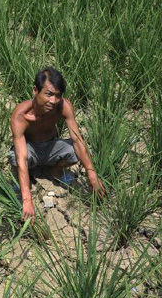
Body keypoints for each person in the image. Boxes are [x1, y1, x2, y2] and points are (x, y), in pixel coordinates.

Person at [8, 67, 105, 224]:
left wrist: (91, 172)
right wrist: (27, 200)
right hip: (30, 149)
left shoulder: (63, 106)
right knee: (14, 159)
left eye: (57, 95)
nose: (53, 100)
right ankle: (21, 181)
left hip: (50, 146)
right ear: (35, 90)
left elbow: (77, 140)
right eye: (48, 94)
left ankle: (55, 170)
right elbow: (21, 156)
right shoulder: (21, 115)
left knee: (75, 151)